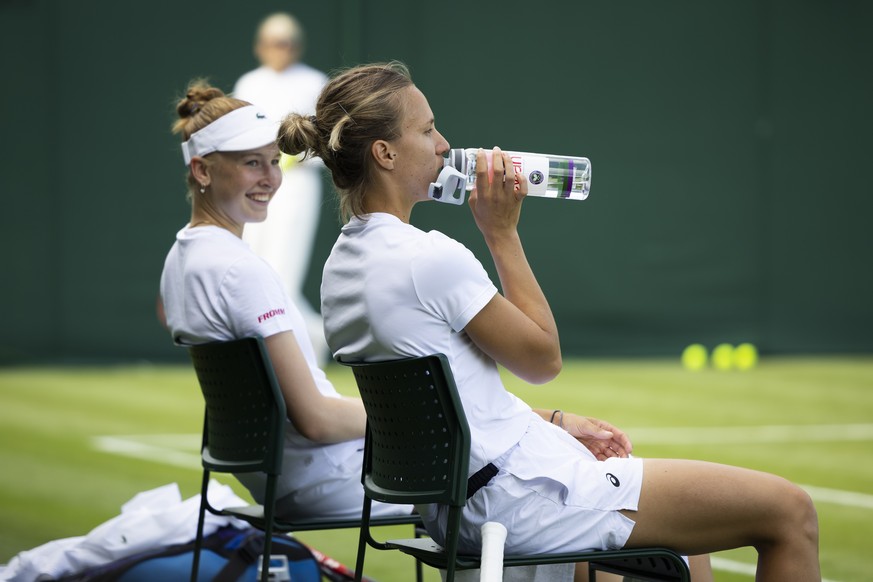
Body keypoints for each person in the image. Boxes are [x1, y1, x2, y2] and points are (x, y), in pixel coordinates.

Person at [277, 62, 820, 581]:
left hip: (454, 508)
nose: (444, 143)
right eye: (428, 129)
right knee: (790, 511)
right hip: (514, 500)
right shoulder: (429, 258)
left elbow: (447, 406)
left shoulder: (340, 270)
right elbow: (542, 359)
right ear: (385, 153)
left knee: (683, 549)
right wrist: (501, 232)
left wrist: (557, 423)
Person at [159, 80, 410, 521]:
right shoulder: (240, 270)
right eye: (251, 163)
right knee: (512, 486)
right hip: (334, 478)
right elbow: (316, 419)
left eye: (274, 162)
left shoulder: (180, 260)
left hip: (283, 477)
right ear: (201, 170)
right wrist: (415, 424)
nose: (270, 178)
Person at [233, 12, 330, 364]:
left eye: (287, 42)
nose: (281, 49)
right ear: (261, 47)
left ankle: (299, 352)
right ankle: (315, 337)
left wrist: (297, 157)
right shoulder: (248, 84)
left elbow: (328, 141)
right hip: (254, 188)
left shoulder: (314, 82)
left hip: (296, 188)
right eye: (274, 42)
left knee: (282, 275)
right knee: (257, 268)